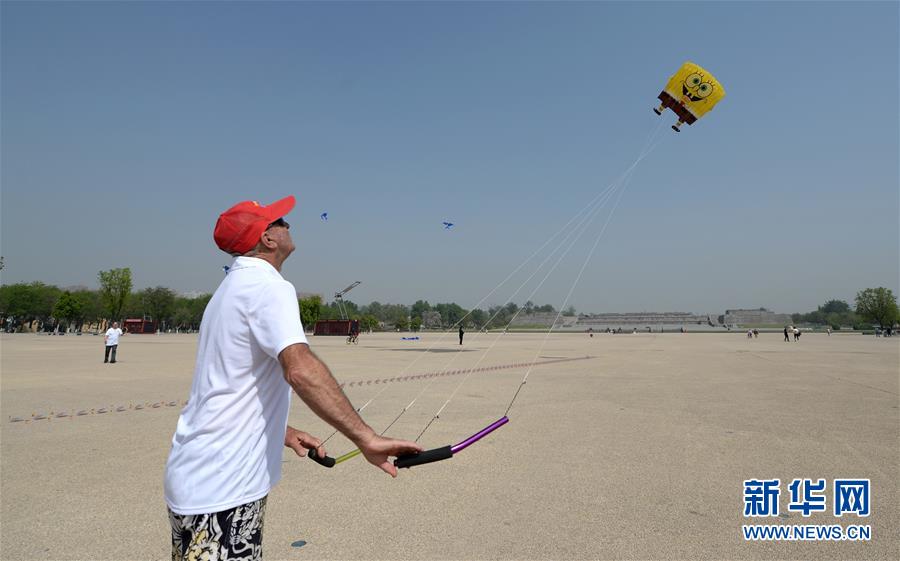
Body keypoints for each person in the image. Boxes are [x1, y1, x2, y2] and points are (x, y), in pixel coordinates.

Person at [164, 196, 421, 561]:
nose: (288, 225)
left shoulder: (229, 291)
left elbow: (228, 382)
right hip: (223, 487)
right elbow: (300, 369)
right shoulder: (269, 287)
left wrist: (280, 431)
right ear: (268, 239)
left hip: (195, 479)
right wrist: (367, 438)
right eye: (280, 220)